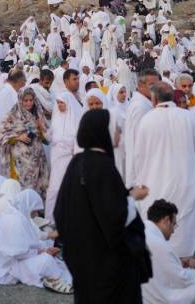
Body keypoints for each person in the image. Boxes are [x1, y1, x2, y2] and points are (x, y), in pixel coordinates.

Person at [55, 109, 150, 303]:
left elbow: (62, 211)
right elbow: (114, 217)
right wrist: (131, 199)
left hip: (82, 260)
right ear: (103, 132)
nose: (119, 133)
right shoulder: (103, 166)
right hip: (106, 264)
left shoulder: (77, 162)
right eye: (115, 129)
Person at [134, 81, 195, 258]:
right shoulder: (189, 118)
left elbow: (139, 158)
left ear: (154, 99)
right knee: (187, 230)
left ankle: (163, 267)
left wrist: (139, 184)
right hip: (186, 182)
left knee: (160, 229)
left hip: (155, 183)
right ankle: (192, 268)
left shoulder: (147, 120)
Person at [142, 199, 195, 304]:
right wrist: (194, 270)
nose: (173, 230)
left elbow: (158, 263)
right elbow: (181, 281)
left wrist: (181, 262)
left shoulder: (140, 231)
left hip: (136, 293)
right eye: (174, 224)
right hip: (154, 299)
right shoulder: (161, 245)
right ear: (166, 220)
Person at [45, 68, 83, 220]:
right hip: (62, 149)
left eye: (78, 79)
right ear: (66, 81)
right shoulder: (64, 97)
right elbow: (60, 124)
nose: (77, 81)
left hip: (76, 149)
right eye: (74, 79)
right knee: (56, 186)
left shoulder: (79, 98)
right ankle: (51, 219)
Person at [0, 87, 49, 196]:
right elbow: (2, 135)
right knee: (23, 186)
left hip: (37, 157)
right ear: (20, 100)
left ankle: (34, 208)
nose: (29, 103)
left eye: (31, 100)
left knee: (37, 184)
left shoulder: (38, 114)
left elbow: (47, 137)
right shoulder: (12, 115)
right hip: (21, 159)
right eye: (25, 101)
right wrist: (18, 137)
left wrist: (40, 127)